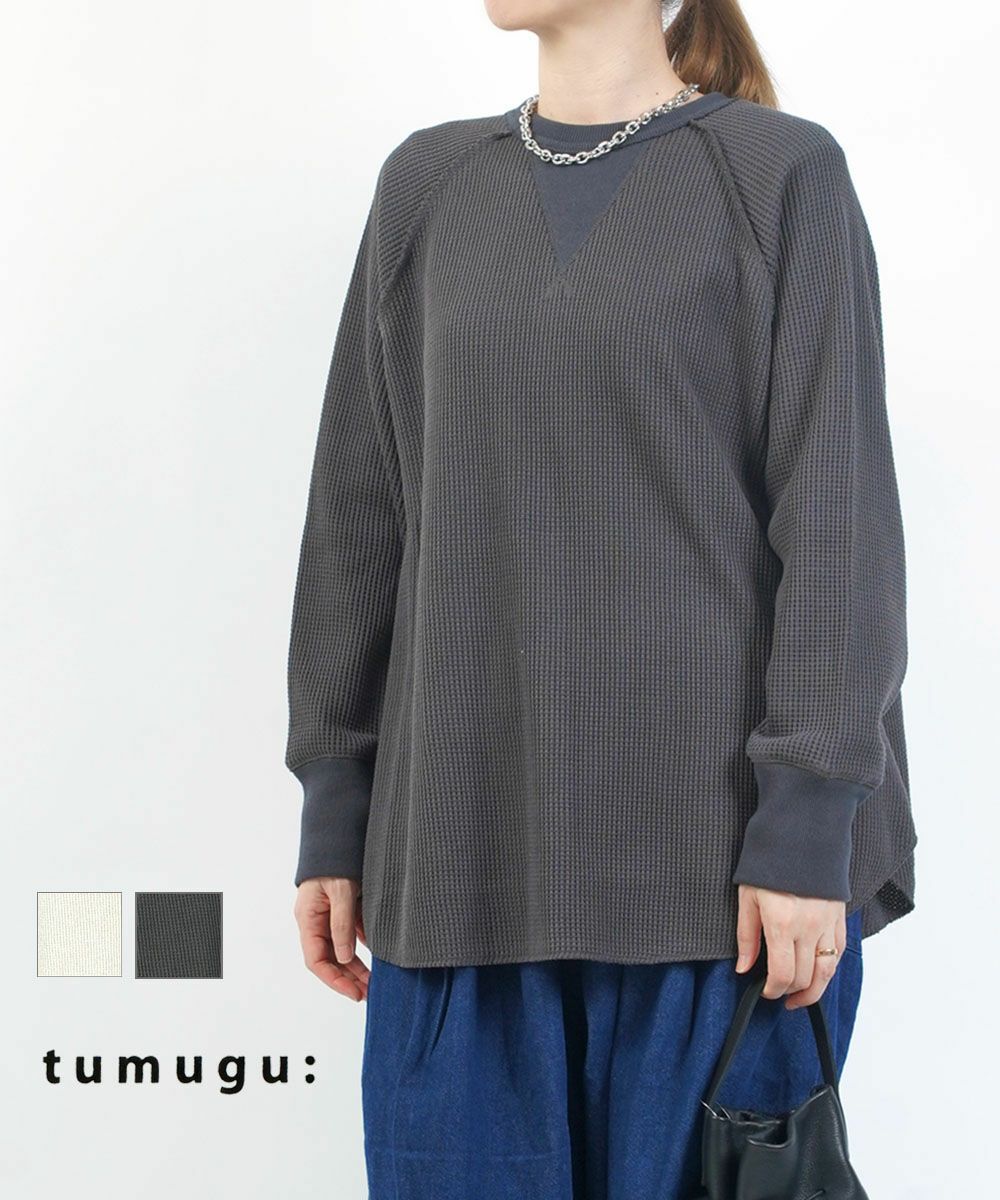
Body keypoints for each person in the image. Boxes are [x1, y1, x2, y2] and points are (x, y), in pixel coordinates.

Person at [285, 1, 918, 1196]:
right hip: (460, 850)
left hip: (717, 879)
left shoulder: (778, 175)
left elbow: (838, 520)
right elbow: (359, 514)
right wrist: (336, 800)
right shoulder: (427, 186)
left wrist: (804, 825)